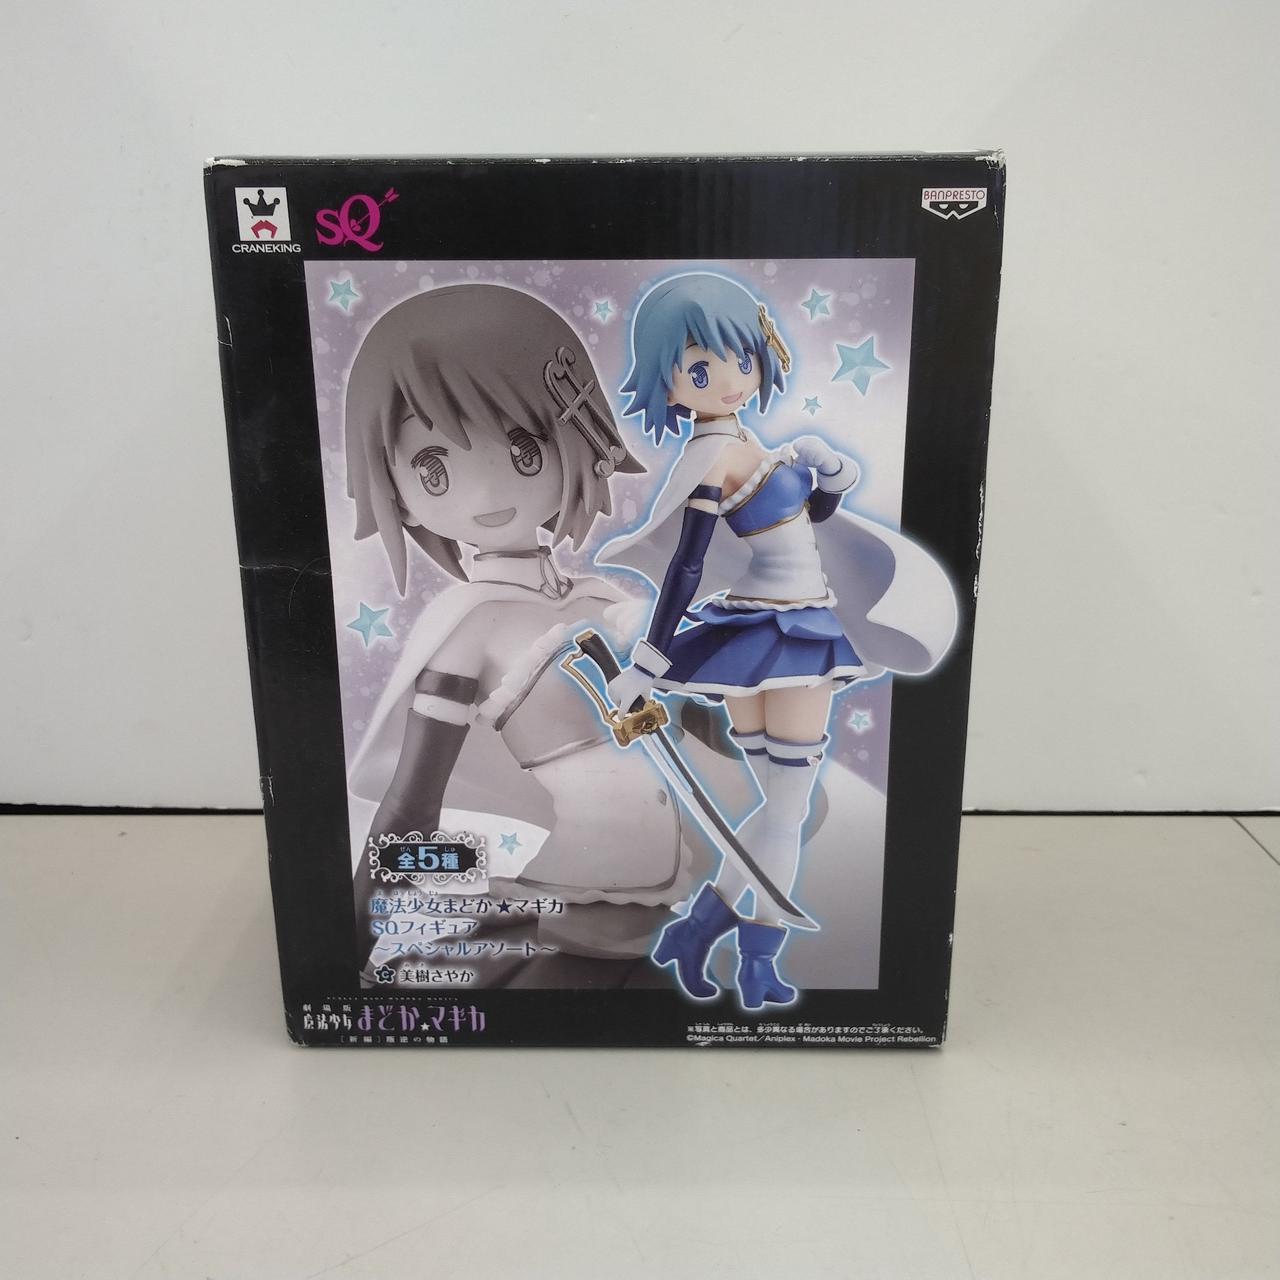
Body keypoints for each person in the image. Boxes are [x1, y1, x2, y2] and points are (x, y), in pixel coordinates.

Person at [600, 272, 957, 1008]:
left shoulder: (740, 442)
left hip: (774, 631)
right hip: (785, 635)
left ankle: (699, 933)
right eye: (702, 370)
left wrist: (829, 473)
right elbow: (687, 563)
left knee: (781, 809)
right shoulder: (710, 457)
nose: (732, 380)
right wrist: (647, 662)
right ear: (670, 386)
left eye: (742, 359)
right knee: (787, 810)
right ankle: (756, 958)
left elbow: (810, 521)